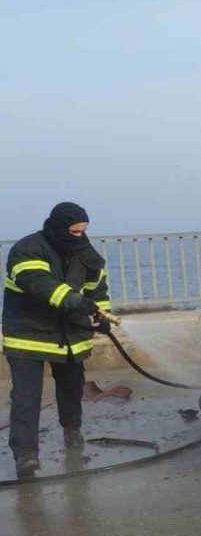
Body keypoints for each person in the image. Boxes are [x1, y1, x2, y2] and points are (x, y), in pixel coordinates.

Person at [3, 202, 112, 477]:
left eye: (83, 231)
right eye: (75, 231)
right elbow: (39, 284)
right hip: (28, 335)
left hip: (70, 334)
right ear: (59, 227)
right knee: (27, 397)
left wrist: (103, 314)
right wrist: (80, 303)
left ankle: (72, 432)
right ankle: (26, 455)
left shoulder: (84, 251)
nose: (80, 236)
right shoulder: (28, 249)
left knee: (72, 388)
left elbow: (96, 286)